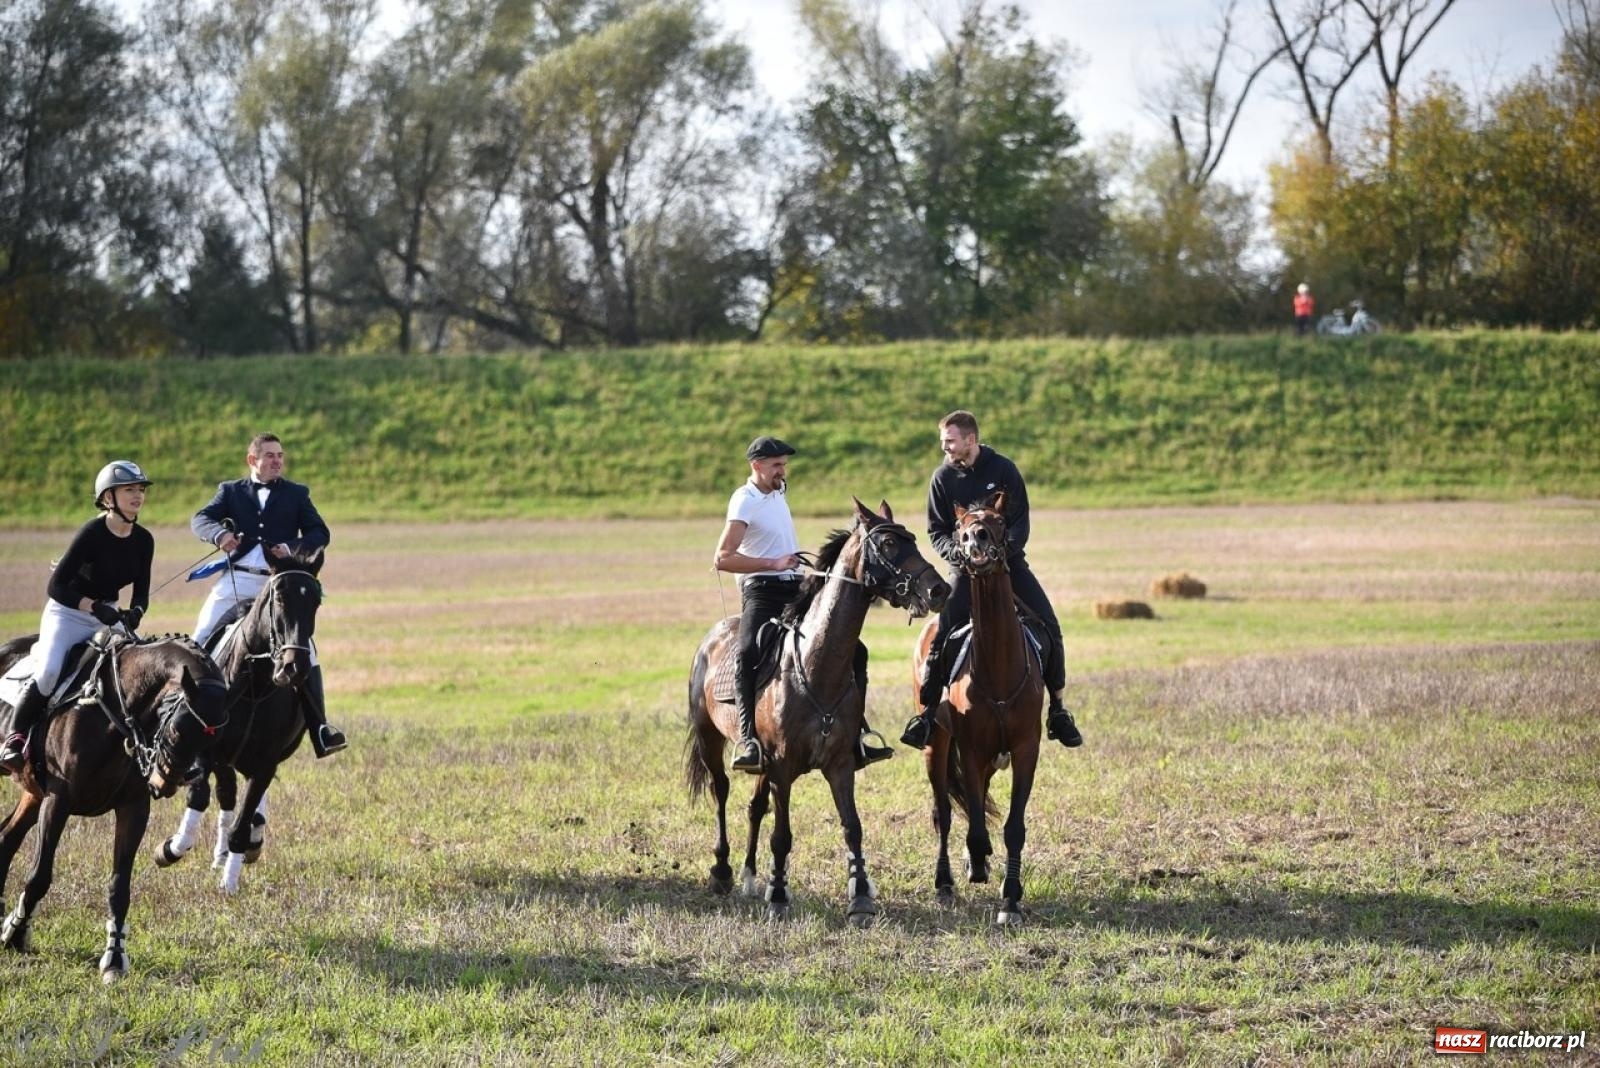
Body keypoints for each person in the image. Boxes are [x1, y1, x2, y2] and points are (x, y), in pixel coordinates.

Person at [900, 411, 1083, 751]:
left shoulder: (1004, 470)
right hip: (964, 570)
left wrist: (1000, 554)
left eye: (950, 441)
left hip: (1008, 566)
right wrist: (960, 555)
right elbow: (937, 531)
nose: (944, 447)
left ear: (970, 439)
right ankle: (927, 716)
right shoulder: (941, 479)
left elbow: (1020, 522)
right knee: (941, 637)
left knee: (1050, 625)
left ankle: (1058, 710)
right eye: (943, 441)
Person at [712, 436, 892, 773]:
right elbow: (723, 558)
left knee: (856, 651)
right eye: (776, 465)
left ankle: (857, 736)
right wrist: (773, 563)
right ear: (756, 465)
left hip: (794, 587)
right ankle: (748, 740)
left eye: (784, 464)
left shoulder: (778, 492)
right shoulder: (744, 500)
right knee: (748, 651)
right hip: (761, 592)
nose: (782, 471)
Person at [191, 432, 346, 757]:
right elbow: (200, 519)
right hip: (237, 580)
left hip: (278, 584)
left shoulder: (297, 494)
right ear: (253, 460)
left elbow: (320, 532)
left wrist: (291, 547)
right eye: (270, 455)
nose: (277, 461)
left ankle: (320, 729)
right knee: (200, 639)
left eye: (280, 455)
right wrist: (219, 535)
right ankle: (185, 723)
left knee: (306, 649)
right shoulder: (230, 491)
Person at [1, 461, 154, 774]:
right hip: (68, 613)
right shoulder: (92, 533)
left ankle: (151, 745)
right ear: (108, 498)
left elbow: (141, 593)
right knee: (48, 673)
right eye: (129, 489)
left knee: (140, 669)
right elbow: (55, 587)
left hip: (107, 616)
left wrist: (136, 613)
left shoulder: (144, 540)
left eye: (140, 489)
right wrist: (94, 607)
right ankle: (14, 740)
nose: (138, 495)